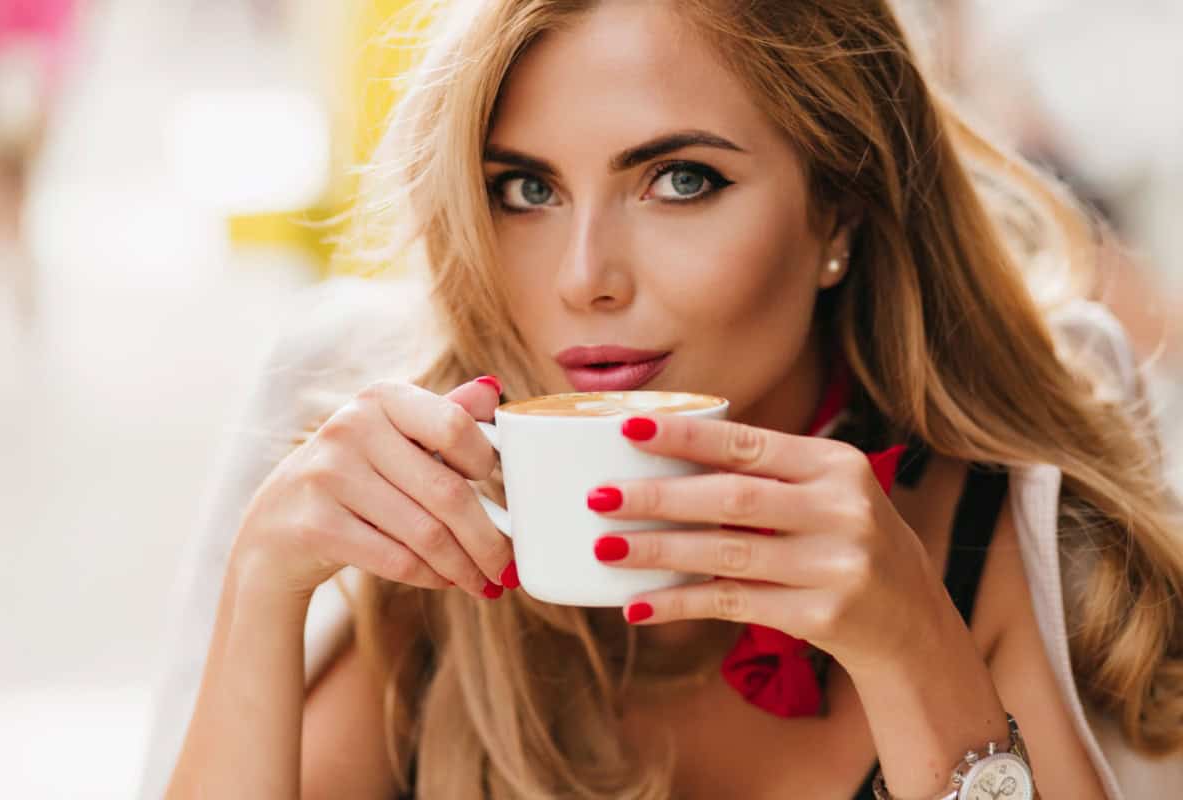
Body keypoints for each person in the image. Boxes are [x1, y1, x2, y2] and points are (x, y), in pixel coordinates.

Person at [161, 1, 1183, 798]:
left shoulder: (1016, 524)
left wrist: (916, 651)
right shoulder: (427, 513)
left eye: (679, 180)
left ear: (839, 210)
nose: (583, 276)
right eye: (527, 189)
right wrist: (263, 587)